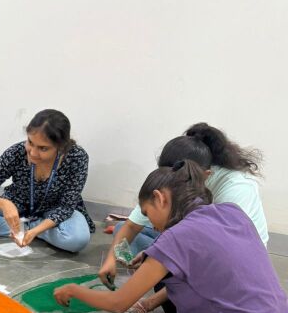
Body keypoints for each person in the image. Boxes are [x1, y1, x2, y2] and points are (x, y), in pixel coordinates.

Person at [54, 161, 288, 313]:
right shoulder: (230, 212)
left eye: (147, 214)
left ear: (160, 198)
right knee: (164, 274)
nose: (152, 225)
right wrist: (150, 280)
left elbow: (118, 303)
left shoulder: (177, 237)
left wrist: (73, 290)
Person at [100, 123, 268, 288]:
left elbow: (216, 251)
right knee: (121, 229)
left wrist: (159, 255)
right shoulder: (177, 177)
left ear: (205, 175)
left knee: (169, 274)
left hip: (229, 259)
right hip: (193, 240)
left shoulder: (236, 187)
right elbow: (131, 226)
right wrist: (111, 260)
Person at [0, 109, 94, 252]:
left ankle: (28, 229)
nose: (33, 153)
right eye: (30, 142)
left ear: (61, 146)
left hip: (55, 209)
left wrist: (37, 230)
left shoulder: (77, 157)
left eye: (43, 148)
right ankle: (30, 229)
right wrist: (4, 204)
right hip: (18, 204)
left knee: (78, 239)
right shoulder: (16, 152)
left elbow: (66, 207)